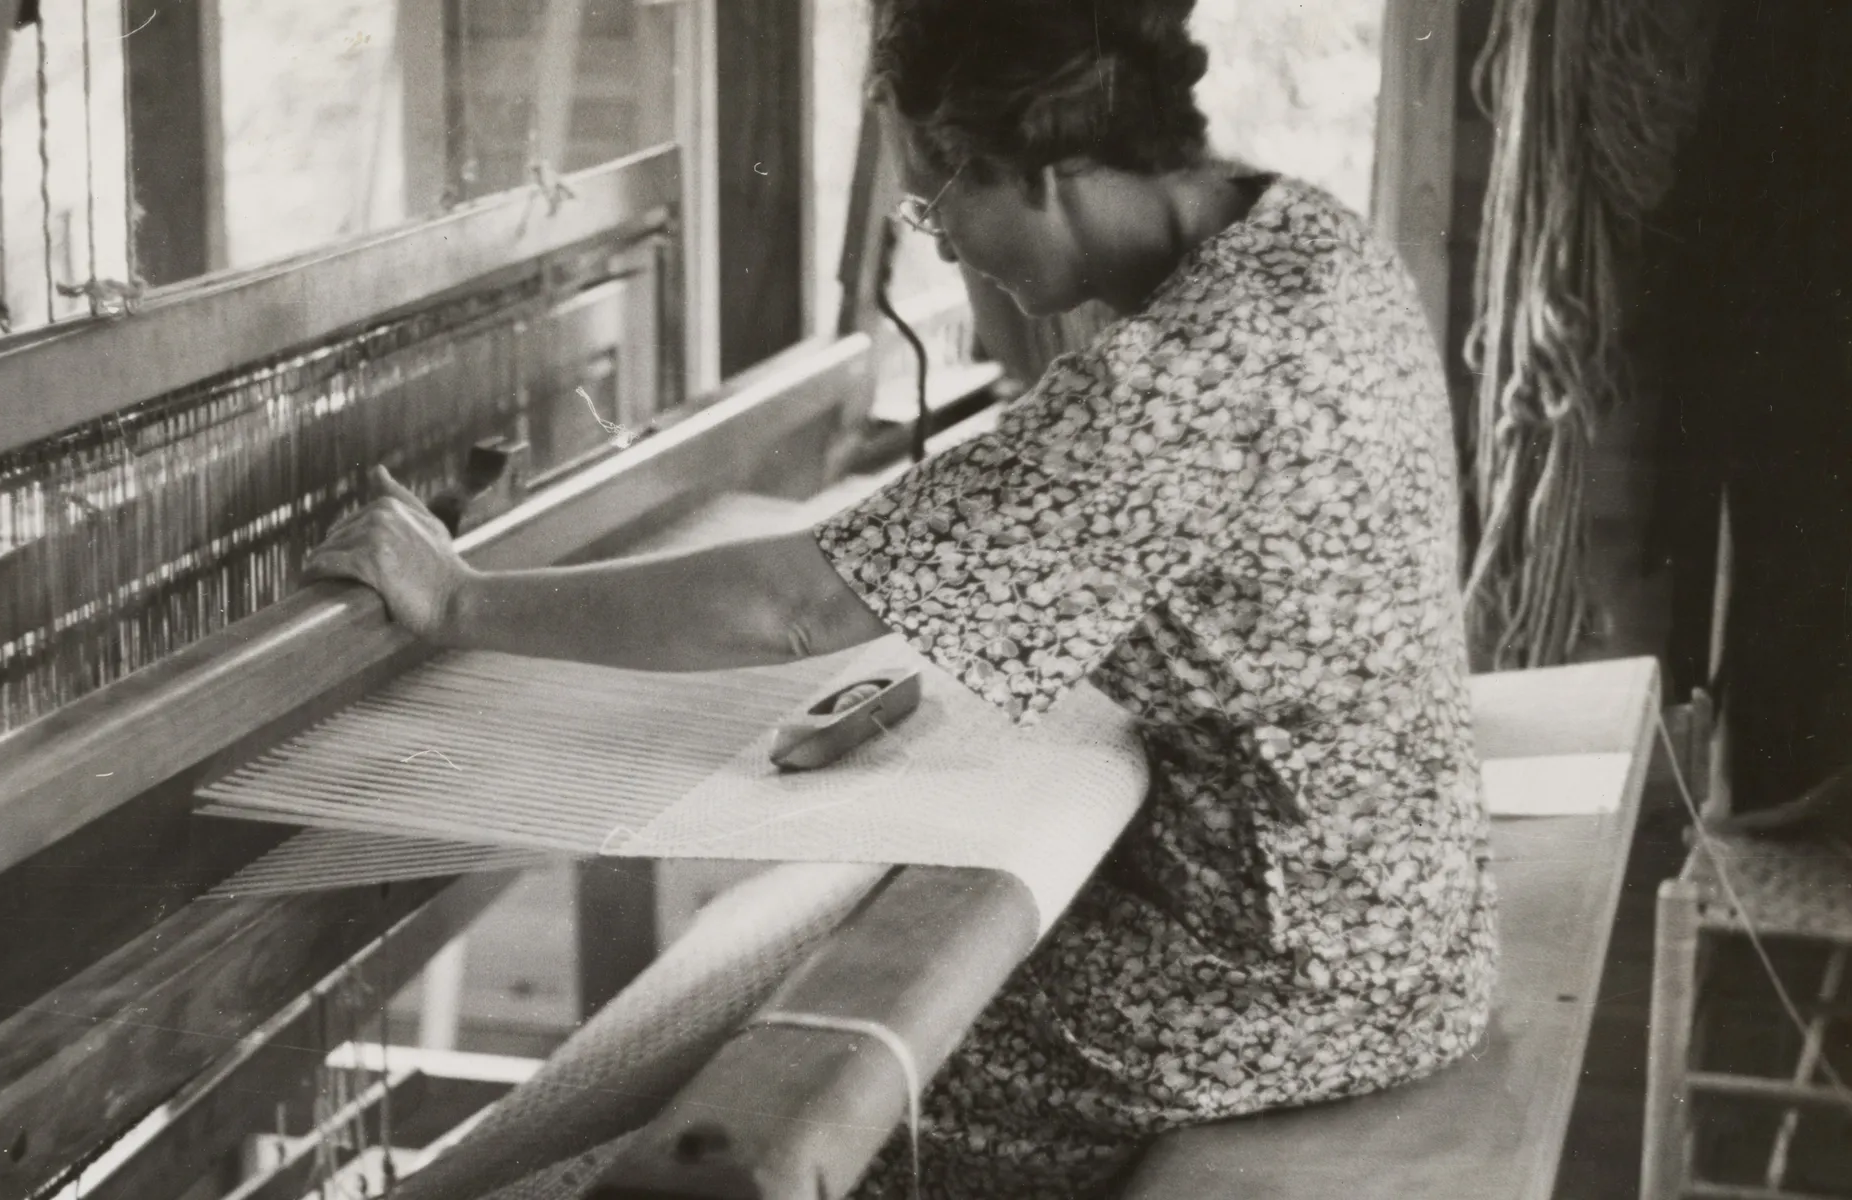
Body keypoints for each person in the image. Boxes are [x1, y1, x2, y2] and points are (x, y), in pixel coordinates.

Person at [305, 0, 1494, 1193]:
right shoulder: (1303, 236)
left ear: (1033, 172)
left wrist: (461, 604)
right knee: (762, 1023)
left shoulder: (1169, 390)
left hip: (1288, 976)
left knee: (755, 1141)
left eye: (936, 202)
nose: (935, 243)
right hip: (1397, 915)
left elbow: (798, 612)